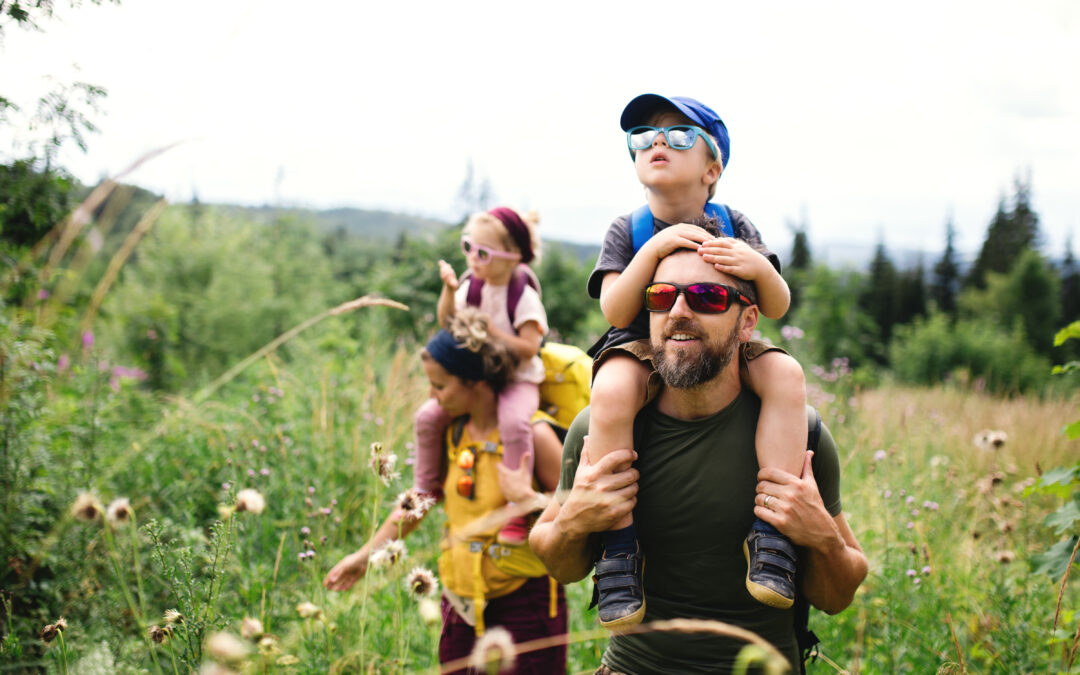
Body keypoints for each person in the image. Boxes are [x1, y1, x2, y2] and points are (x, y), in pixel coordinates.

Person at [530, 248, 867, 673]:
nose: (678, 311)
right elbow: (559, 564)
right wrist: (572, 521)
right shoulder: (599, 428)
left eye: (707, 297)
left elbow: (837, 598)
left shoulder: (802, 436)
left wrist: (822, 538)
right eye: (661, 297)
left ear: (747, 322)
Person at [584, 93, 809, 627]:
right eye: (643, 137)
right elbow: (616, 308)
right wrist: (651, 256)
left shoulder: (733, 222)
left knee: (785, 373)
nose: (657, 142)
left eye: (678, 134)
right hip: (641, 343)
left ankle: (773, 533)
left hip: (718, 338)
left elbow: (775, 306)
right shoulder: (629, 229)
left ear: (713, 168)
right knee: (611, 392)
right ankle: (619, 548)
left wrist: (756, 263)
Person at [324, 309, 568, 673]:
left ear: (476, 382)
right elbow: (420, 499)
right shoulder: (453, 432)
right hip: (460, 599)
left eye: (439, 385)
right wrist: (365, 556)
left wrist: (529, 499)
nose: (431, 396)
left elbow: (583, 507)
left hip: (527, 603)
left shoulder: (534, 435)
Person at [414, 206, 548, 546]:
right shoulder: (471, 286)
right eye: (467, 248)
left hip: (518, 378)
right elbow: (448, 322)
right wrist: (448, 290)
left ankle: (517, 506)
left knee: (515, 423)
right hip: (480, 378)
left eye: (483, 253)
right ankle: (425, 488)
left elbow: (530, 348)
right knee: (428, 416)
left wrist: (495, 333)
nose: (473, 259)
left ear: (513, 257)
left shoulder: (522, 295)